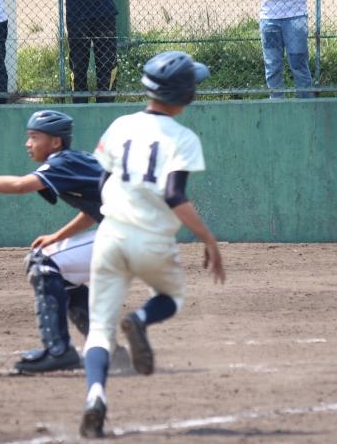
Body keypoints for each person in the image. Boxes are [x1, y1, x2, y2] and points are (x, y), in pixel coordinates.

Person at [79, 51, 226, 438]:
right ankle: (141, 320)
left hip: (110, 235)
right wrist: (208, 238)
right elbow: (174, 194)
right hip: (153, 240)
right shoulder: (184, 138)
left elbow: (101, 184)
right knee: (171, 297)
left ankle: (95, 397)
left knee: (100, 330)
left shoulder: (120, 125)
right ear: (186, 96)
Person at [0, 110, 105, 372]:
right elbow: (94, 211)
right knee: (61, 274)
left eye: (35, 137)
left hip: (130, 234)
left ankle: (58, 350)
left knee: (41, 263)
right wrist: (57, 237)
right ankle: (106, 348)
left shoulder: (62, 162)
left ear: (56, 142)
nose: (28, 143)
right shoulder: (73, 161)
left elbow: (20, 186)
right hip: (141, 233)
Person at [65, 0, 119, 103]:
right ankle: (80, 108)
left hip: (103, 9)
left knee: (107, 64)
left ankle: (106, 106)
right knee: (78, 66)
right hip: (77, 12)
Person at [259, 0, 314, 99]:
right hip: (269, 16)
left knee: (299, 65)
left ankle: (306, 105)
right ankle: (277, 104)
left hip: (296, 14)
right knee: (272, 67)